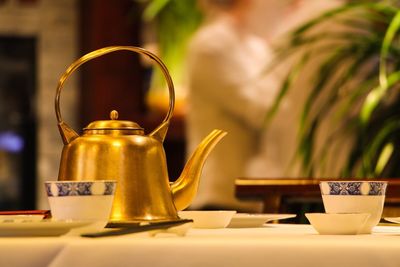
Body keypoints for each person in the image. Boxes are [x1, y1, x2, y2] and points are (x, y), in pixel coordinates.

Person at [185, 0, 281, 212]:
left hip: (251, 193)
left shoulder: (252, 43)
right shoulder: (211, 45)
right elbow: (260, 109)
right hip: (219, 194)